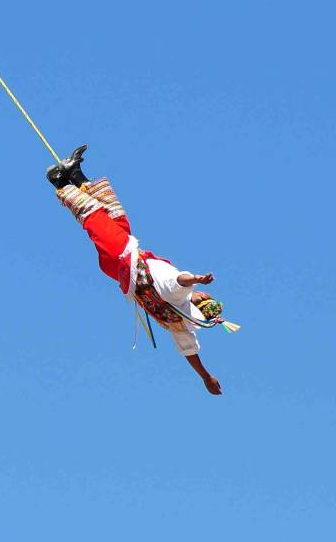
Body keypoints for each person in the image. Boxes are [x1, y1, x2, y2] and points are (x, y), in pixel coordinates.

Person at [47, 145, 231, 395]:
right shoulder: (181, 324)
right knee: (118, 218)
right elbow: (191, 352)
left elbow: (181, 279)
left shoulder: (180, 296)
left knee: (95, 216)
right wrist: (205, 377)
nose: (204, 293)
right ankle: (75, 172)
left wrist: (197, 278)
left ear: (200, 302)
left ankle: (59, 182)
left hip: (124, 258)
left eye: (206, 297)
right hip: (126, 261)